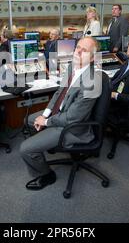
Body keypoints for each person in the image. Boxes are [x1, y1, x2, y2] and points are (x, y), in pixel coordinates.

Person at [20, 37, 102, 190]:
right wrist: (45, 115)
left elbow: (72, 118)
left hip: (74, 128)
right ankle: (45, 145)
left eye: (85, 51)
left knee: (25, 149)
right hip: (61, 113)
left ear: (92, 58)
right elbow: (59, 93)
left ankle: (46, 175)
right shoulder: (73, 66)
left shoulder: (92, 81)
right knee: (29, 120)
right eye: (78, 47)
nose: (78, 51)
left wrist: (46, 122)